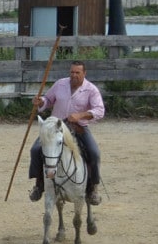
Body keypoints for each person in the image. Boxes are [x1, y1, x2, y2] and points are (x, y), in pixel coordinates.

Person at [28, 61, 105, 205]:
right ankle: (39, 185)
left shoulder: (91, 90)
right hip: (55, 127)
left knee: (94, 153)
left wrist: (80, 115)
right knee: (35, 150)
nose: (74, 75)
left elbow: (100, 111)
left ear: (84, 73)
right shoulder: (60, 84)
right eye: (72, 72)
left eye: (77, 73)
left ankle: (93, 189)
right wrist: (41, 102)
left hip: (78, 128)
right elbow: (49, 99)